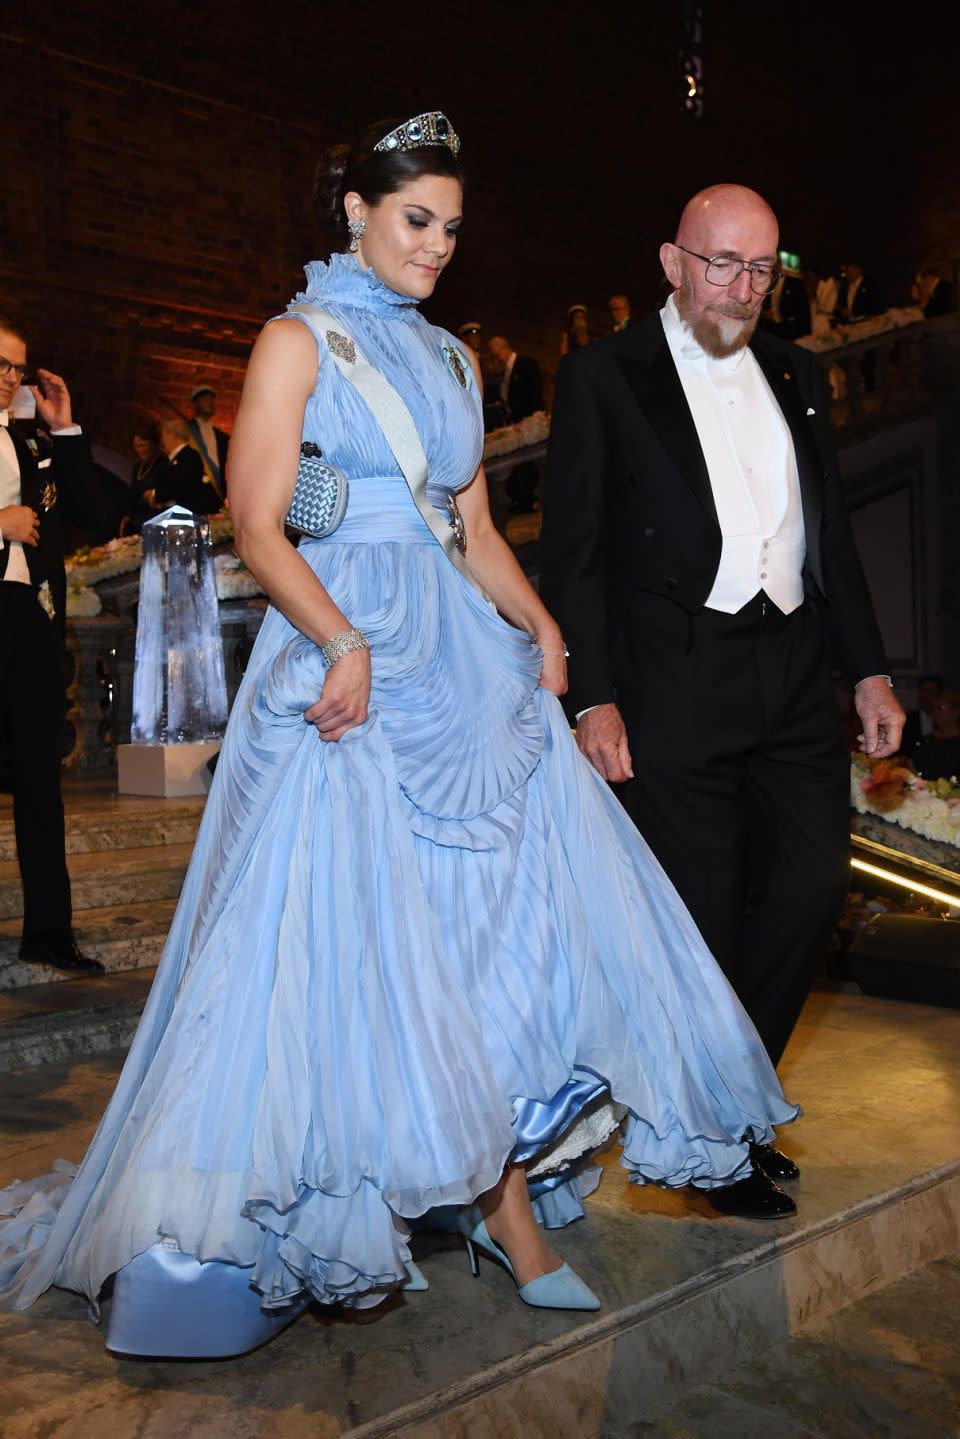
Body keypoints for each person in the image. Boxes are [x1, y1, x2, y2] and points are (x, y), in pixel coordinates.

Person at [0, 122, 798, 1359]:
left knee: (483, 950)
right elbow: (258, 525)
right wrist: (343, 642)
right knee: (353, 957)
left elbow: (471, 525)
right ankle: (420, 1206)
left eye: (451, 226)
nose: (436, 244)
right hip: (347, 669)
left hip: (462, 675)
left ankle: (500, 1202)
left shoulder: (452, 358)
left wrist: (540, 626)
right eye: (416, 218)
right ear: (357, 213)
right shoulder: (294, 341)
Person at [541, 184, 905, 1217]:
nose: (741, 289)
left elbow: (826, 535)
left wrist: (868, 668)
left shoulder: (798, 371)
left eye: (762, 269)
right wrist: (592, 698)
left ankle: (726, 1109)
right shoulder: (603, 375)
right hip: (674, 677)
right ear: (671, 260)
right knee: (700, 920)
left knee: (806, 890)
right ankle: (720, 1136)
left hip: (791, 670)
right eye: (721, 264)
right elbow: (577, 554)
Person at [0, 315, 103, 975]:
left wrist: (65, 428)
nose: (10, 377)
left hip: (27, 616)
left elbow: (91, 511)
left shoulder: (31, 437)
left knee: (41, 778)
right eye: (0, 364)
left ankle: (49, 930)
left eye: (17, 367)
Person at [487, 334, 544, 513]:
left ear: (504, 350)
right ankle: (521, 500)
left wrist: (531, 422)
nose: (496, 360)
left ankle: (530, 499)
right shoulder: (503, 373)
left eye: (497, 356)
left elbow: (535, 397)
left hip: (529, 425)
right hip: (514, 425)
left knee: (528, 464)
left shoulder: (526, 364)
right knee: (517, 468)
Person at [119, 418, 173, 535]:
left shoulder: (164, 464)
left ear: (153, 444)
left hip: (158, 522)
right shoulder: (138, 467)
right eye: (136, 446)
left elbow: (166, 496)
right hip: (139, 523)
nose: (139, 450)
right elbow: (133, 495)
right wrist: (128, 515)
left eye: (143, 445)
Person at [159, 416, 220, 514]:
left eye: (163, 435)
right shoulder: (170, 459)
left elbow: (183, 485)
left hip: (194, 513)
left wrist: (156, 495)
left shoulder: (190, 455)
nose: (162, 441)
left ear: (172, 434)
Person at [186, 384, 229, 502]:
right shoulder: (187, 431)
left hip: (216, 492)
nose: (210, 403)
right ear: (195, 404)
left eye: (212, 400)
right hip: (194, 491)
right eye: (205, 400)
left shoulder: (222, 437)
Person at [912, 689, 960, 781]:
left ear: (956, 711)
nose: (934, 713)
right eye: (933, 709)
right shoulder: (925, 741)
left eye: (940, 708)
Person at [901, 673, 945, 756]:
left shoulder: (946, 720)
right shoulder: (907, 719)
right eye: (923, 691)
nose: (925, 695)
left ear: (939, 694)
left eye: (930, 692)